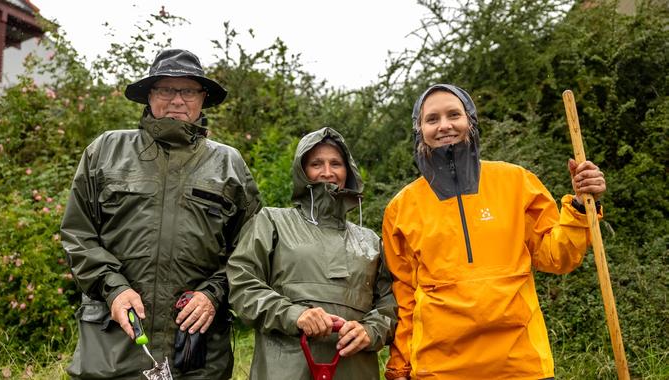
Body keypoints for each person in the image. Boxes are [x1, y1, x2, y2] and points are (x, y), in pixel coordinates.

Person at [382, 84, 607, 379]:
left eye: (454, 114)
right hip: (440, 369)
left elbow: (557, 257)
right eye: (432, 118)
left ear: (470, 121)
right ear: (419, 129)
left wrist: (580, 204)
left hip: (521, 364)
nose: (444, 125)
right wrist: (400, 366)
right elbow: (404, 296)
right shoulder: (402, 207)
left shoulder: (516, 182)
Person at [61, 49, 261, 379]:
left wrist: (213, 294)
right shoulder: (106, 151)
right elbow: (77, 234)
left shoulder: (229, 165)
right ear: (150, 95)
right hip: (113, 344)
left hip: (197, 350)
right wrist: (113, 288)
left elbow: (251, 249)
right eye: (166, 89)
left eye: (188, 91)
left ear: (203, 98)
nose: (176, 100)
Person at [227, 127, 397, 379]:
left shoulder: (371, 240)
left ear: (348, 172)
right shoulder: (272, 222)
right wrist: (295, 315)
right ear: (302, 171)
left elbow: (391, 303)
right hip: (283, 370)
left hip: (355, 370)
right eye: (316, 163)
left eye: (336, 164)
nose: (327, 172)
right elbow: (242, 285)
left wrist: (371, 331)